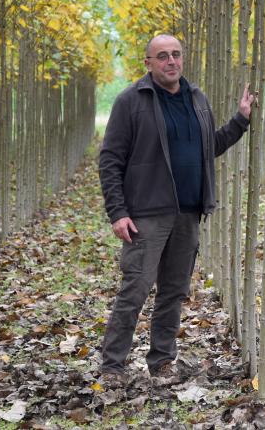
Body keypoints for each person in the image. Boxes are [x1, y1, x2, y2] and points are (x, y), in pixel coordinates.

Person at [98, 34, 254, 384]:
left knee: (173, 291)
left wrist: (240, 120)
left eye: (176, 54)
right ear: (148, 63)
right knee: (135, 289)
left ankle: (162, 361)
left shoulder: (196, 98)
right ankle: (112, 366)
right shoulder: (131, 101)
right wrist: (118, 212)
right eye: (163, 56)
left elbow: (207, 146)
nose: (171, 61)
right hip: (147, 214)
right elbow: (110, 159)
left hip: (188, 212)